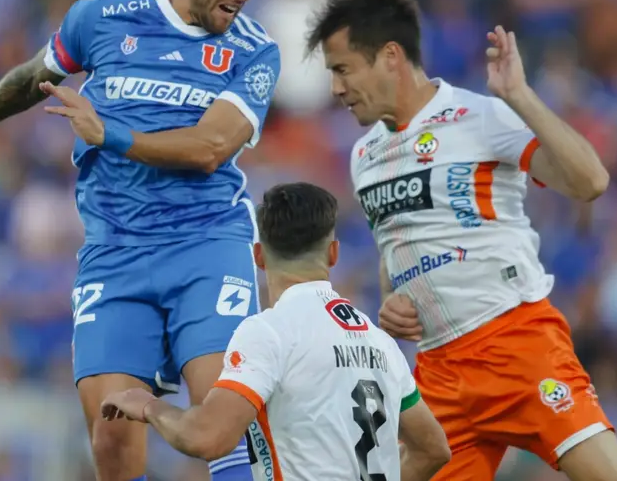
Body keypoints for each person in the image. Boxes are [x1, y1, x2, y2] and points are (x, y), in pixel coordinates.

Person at [0, 0, 281, 481]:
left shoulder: (255, 50)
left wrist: (111, 133)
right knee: (111, 438)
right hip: (116, 253)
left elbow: (210, 149)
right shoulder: (103, 19)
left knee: (221, 425)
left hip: (206, 246)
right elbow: (36, 77)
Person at [306, 0, 617, 481]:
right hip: (438, 370)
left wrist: (520, 96)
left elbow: (591, 180)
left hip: (515, 343)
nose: (336, 88)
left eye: (343, 70)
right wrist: (391, 300)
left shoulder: (479, 116)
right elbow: (392, 246)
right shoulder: (363, 155)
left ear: (390, 56)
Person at [100, 182, 452, 481]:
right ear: (333, 253)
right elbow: (432, 450)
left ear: (258, 256)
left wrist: (147, 406)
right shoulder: (381, 343)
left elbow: (207, 437)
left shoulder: (270, 332)